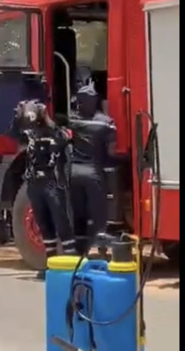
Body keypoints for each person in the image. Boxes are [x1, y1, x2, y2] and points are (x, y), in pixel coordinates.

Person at [12, 100, 77, 279]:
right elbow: (12, 134)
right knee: (44, 226)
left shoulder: (55, 133)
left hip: (52, 183)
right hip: (35, 184)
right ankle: (50, 265)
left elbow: (66, 139)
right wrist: (17, 117)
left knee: (62, 224)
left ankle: (71, 264)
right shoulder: (31, 134)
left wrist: (45, 117)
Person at [68, 83, 116, 255]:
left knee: (78, 215)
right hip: (93, 173)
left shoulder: (72, 120)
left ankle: (79, 253)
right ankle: (100, 252)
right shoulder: (106, 123)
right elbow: (112, 151)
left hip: (73, 173)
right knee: (98, 216)